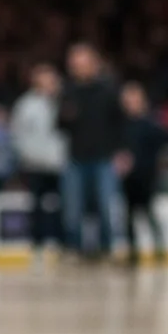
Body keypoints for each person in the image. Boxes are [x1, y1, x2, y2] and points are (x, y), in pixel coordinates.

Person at [57, 43, 130, 260]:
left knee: (106, 208)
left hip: (104, 158)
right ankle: (74, 249)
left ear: (94, 63)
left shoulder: (109, 90)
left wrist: (122, 152)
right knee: (73, 211)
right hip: (75, 158)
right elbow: (60, 126)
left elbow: (121, 123)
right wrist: (65, 118)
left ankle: (106, 249)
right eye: (75, 64)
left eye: (83, 63)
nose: (79, 67)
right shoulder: (67, 91)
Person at [11, 63, 67, 265]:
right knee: (36, 207)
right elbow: (17, 134)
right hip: (34, 164)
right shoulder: (25, 105)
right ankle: (37, 246)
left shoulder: (65, 102)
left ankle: (62, 244)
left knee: (64, 206)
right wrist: (27, 155)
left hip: (62, 165)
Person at [121, 82, 168, 266]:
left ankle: (159, 251)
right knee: (129, 216)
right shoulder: (120, 126)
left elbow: (162, 148)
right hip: (127, 179)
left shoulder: (152, 125)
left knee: (148, 214)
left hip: (146, 177)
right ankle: (133, 254)